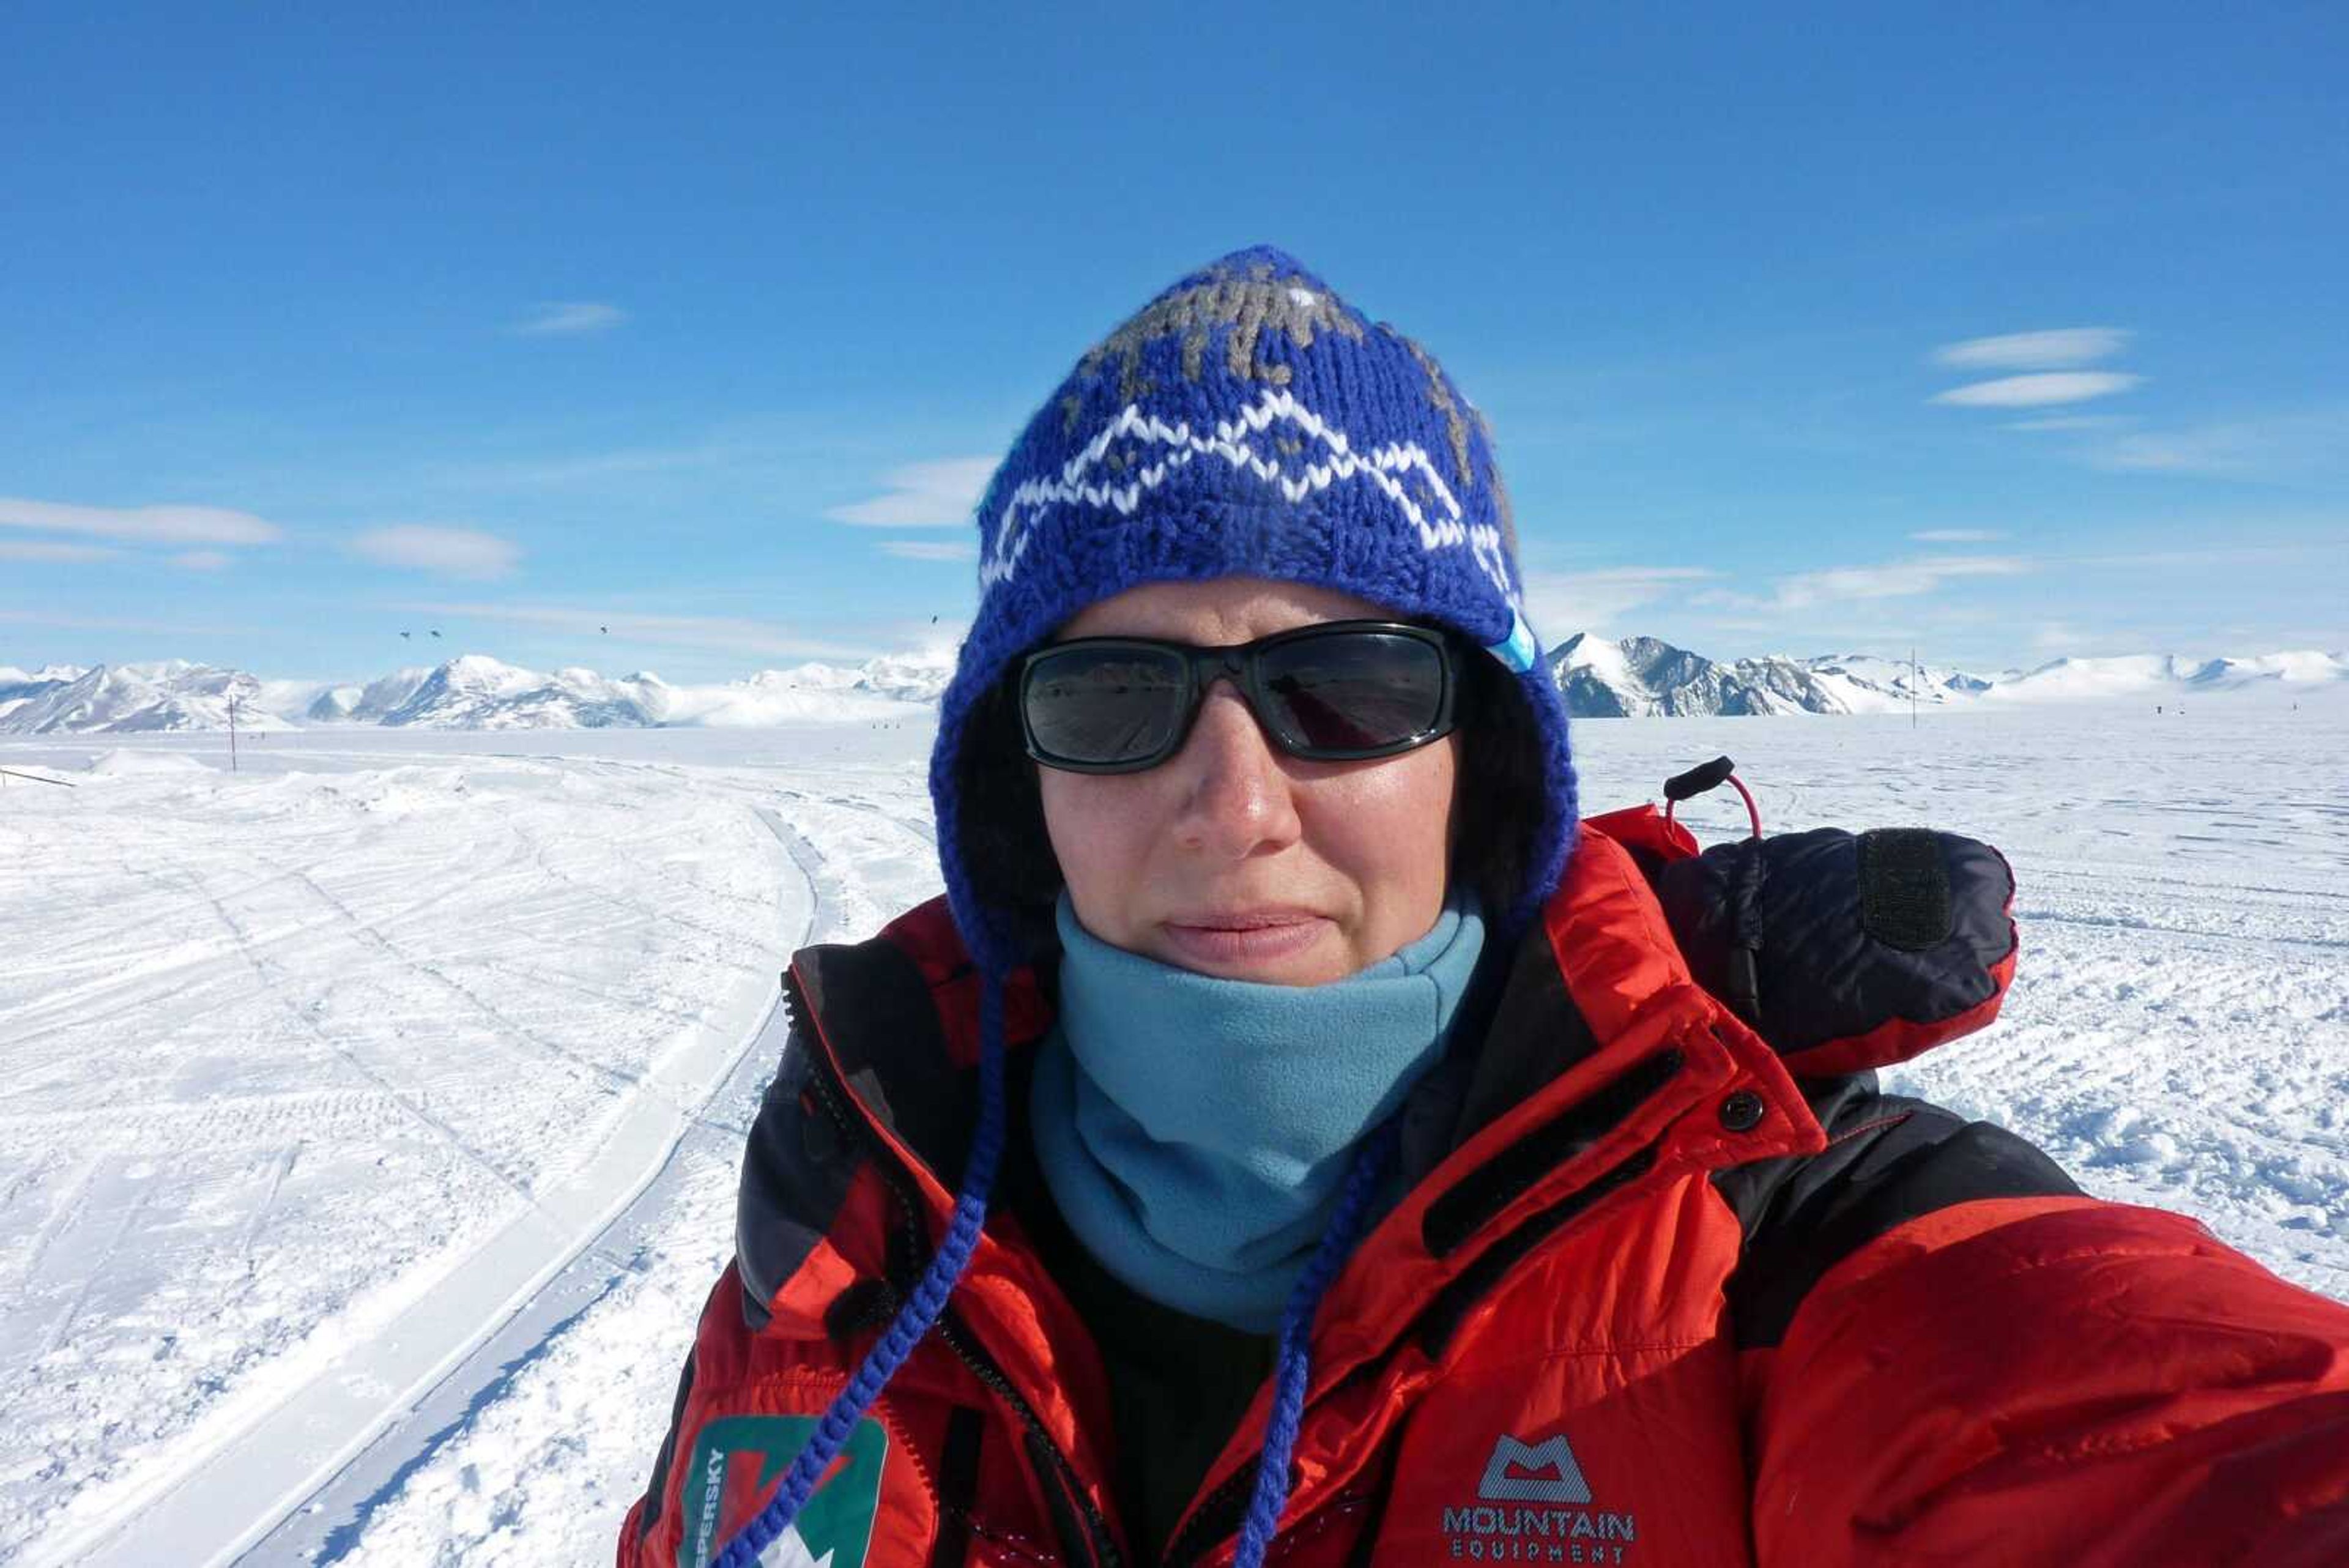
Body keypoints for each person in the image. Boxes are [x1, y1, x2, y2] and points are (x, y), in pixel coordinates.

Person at [620, 248, 2349, 1568]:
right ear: (1020, 784)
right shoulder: (844, 1252)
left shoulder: (1777, 1238)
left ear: (1489, 762)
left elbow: (2176, 1433)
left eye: (1352, 688)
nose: (1233, 804)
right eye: (1111, 698)